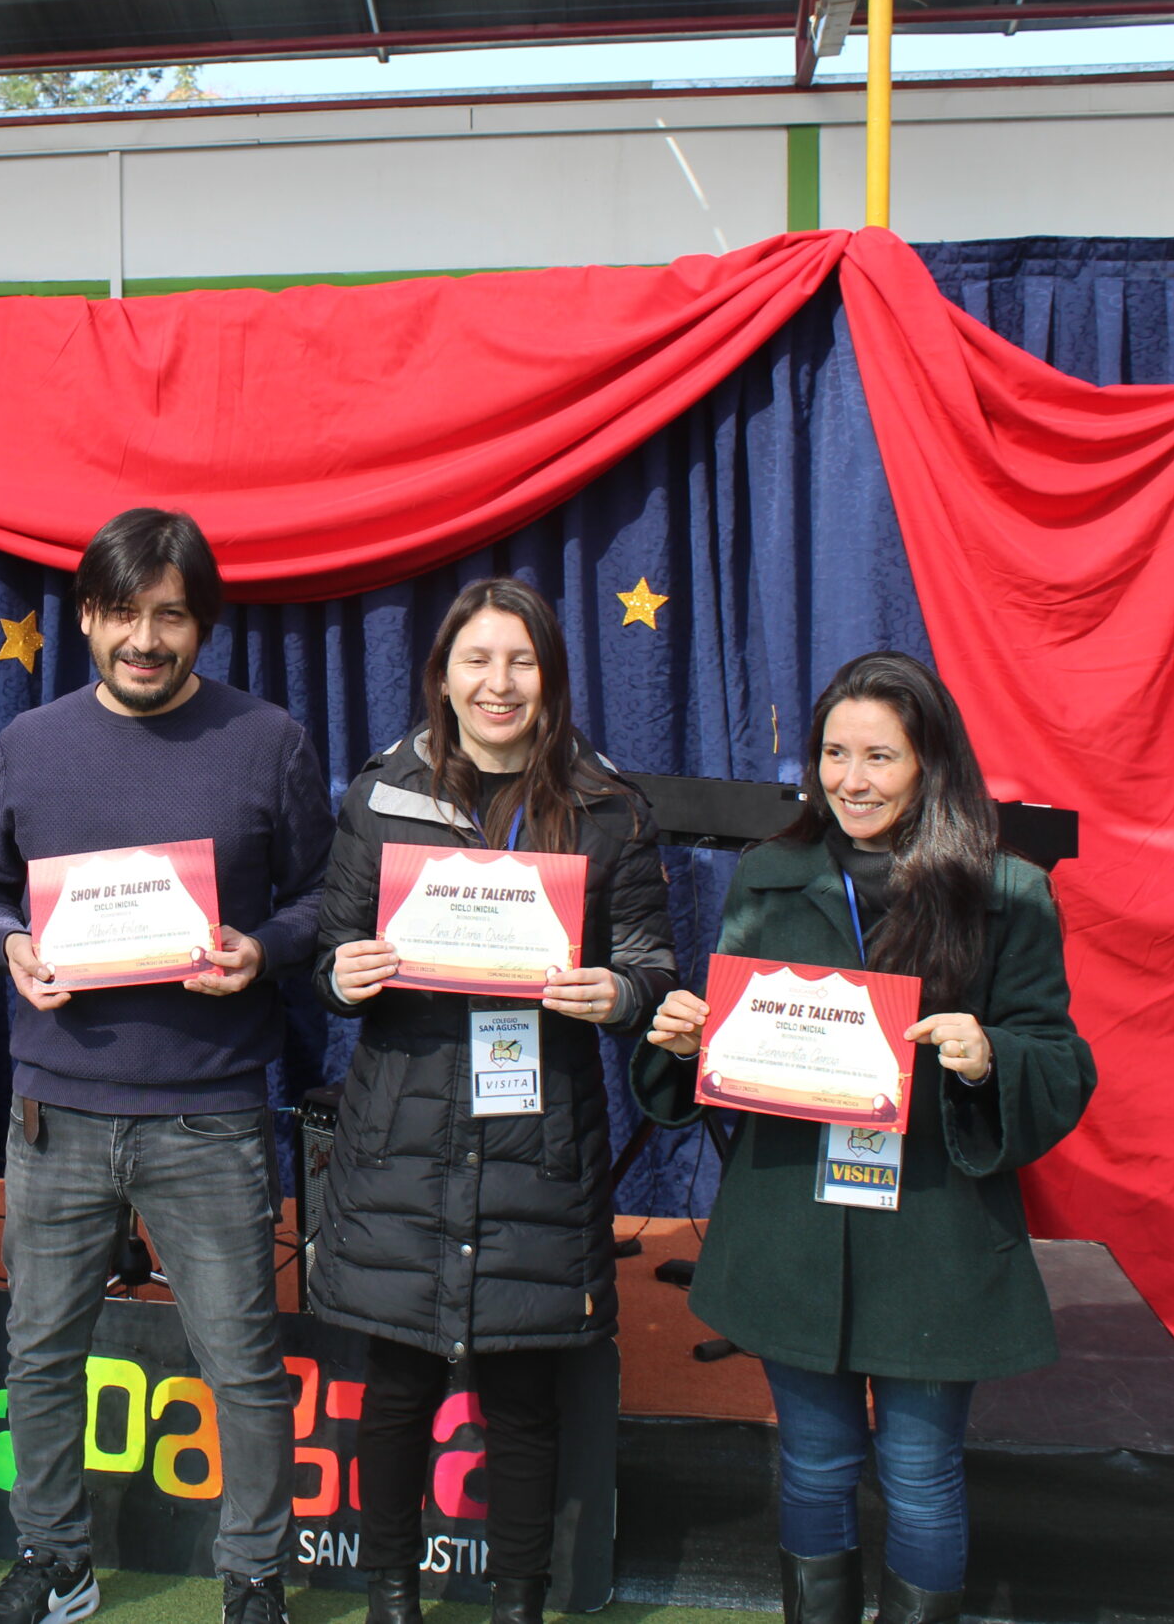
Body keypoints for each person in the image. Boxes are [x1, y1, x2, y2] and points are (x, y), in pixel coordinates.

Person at [636, 651, 1095, 1624]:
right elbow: (735, 1044)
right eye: (834, 754)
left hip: (934, 1232)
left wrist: (989, 1056)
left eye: (879, 756)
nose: (851, 779)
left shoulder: (1008, 890)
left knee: (921, 1472)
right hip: (792, 1224)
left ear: (931, 761)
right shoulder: (769, 875)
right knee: (813, 1462)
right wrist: (686, 1042)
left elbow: (1061, 1063)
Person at [0, 508, 331, 1624]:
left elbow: (324, 901)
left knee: (242, 1364)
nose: (145, 639)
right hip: (54, 1113)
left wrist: (265, 949)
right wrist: (7, 947)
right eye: (123, 613)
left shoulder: (269, 740)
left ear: (201, 624)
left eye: (169, 616)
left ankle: (253, 1577)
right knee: (40, 1354)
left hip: (210, 1114)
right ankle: (56, 1562)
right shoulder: (28, 744)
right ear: (86, 617)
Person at [309, 579, 674, 1624]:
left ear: (549, 676)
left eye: (520, 661)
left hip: (537, 1138)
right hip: (403, 1135)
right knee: (394, 1392)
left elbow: (651, 966)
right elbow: (329, 953)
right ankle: (390, 1597)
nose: (498, 683)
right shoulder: (382, 796)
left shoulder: (607, 808)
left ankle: (519, 1602)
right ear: (443, 675)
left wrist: (618, 994)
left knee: (521, 1397)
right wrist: (345, 975)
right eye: (476, 660)